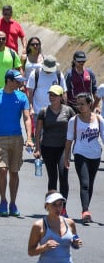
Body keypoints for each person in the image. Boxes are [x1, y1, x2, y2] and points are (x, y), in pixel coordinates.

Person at [0, 69, 33, 217]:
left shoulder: (22, 97)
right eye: (17, 81)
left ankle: (13, 203)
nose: (20, 84)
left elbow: (26, 118)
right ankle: (3, 200)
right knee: (2, 169)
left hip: (16, 138)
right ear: (9, 81)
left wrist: (29, 138)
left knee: (14, 171)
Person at [34, 85, 76, 213]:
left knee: (63, 176)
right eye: (50, 95)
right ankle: (52, 207)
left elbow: (76, 127)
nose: (52, 97)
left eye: (55, 95)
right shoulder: (44, 111)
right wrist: (38, 148)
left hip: (64, 148)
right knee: (52, 178)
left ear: (61, 97)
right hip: (48, 148)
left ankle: (63, 208)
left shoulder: (68, 111)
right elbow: (38, 131)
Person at [64, 92, 104, 224]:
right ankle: (85, 211)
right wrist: (66, 158)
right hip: (80, 154)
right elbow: (69, 140)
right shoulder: (73, 120)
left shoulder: (99, 119)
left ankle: (86, 209)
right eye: (77, 104)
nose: (79, 106)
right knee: (85, 183)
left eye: (82, 104)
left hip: (95, 155)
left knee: (90, 184)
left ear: (89, 104)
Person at [27, 191, 83, 261]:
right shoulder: (39, 225)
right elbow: (31, 252)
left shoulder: (70, 223)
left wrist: (76, 243)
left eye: (60, 204)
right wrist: (44, 247)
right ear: (47, 206)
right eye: (54, 204)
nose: (58, 208)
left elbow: (75, 242)